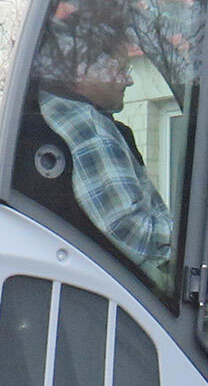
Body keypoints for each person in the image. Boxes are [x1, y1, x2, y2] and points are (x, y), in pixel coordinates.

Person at [34, 34, 176, 273]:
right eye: (120, 70)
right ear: (80, 70)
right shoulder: (92, 130)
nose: (129, 80)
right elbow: (136, 236)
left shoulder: (47, 109)